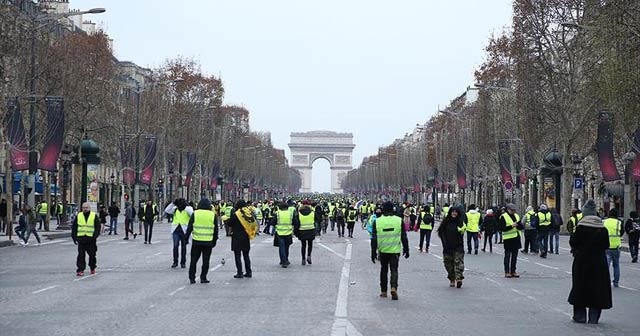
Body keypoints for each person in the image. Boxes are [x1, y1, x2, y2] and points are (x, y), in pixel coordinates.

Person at [568, 199, 612, 324]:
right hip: (599, 263)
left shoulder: (581, 228)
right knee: (598, 288)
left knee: (580, 287)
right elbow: (606, 245)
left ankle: (580, 316)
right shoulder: (602, 228)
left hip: (582, 262)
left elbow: (573, 243)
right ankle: (594, 316)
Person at [371, 201, 409, 300]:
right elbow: (404, 236)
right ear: (393, 209)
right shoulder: (399, 220)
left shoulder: (378, 221)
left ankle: (383, 291)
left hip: (383, 250)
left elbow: (374, 238)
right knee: (394, 270)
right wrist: (406, 249)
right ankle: (393, 287)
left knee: (384, 270)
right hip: (395, 250)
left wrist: (373, 252)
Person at [186, 198, 218, 284]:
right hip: (208, 241)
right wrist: (214, 240)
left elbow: (190, 227)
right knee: (206, 261)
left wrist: (186, 238)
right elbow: (216, 230)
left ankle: (192, 277)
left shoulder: (195, 213)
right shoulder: (212, 215)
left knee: (193, 260)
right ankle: (203, 277)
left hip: (196, 240)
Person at [437, 206, 466, 288]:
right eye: (453, 212)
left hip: (458, 246)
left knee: (458, 262)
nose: (454, 213)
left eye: (456, 212)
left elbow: (463, 230)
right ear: (450, 212)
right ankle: (452, 278)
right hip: (447, 246)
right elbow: (441, 233)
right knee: (448, 264)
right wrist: (444, 243)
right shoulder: (446, 222)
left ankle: (458, 278)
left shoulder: (460, 222)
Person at [71, 202, 101, 276]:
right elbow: (75, 227)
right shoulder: (79, 215)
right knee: (81, 255)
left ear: (89, 208)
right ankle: (80, 269)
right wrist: (74, 237)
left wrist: (95, 236)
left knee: (92, 255)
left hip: (91, 239)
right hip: (81, 239)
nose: (85, 209)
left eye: (86, 207)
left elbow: (97, 227)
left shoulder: (93, 216)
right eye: (83, 207)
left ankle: (92, 267)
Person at [229, 200, 256, 278]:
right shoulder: (248, 214)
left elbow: (230, 223)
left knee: (237, 255)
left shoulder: (236, 214)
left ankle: (239, 272)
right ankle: (249, 272)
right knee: (246, 255)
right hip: (245, 237)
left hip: (237, 237)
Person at [165, 199, 193, 268]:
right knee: (175, 246)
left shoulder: (187, 209)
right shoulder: (175, 209)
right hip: (175, 230)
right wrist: (173, 203)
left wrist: (185, 206)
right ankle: (175, 261)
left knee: (184, 247)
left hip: (184, 230)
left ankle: (183, 262)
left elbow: (192, 213)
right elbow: (167, 210)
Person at [500, 204, 523, 278]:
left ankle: (513, 271)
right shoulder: (503, 216)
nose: (513, 211)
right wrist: (512, 226)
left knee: (515, 256)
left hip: (516, 238)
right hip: (508, 239)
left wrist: (519, 225)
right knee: (507, 255)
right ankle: (507, 271)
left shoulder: (516, 216)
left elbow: (520, 226)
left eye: (514, 210)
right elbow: (502, 228)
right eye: (512, 210)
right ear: (508, 209)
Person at [603, 208, 623, 288]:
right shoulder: (619, 222)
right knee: (616, 265)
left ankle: (605, 281)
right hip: (616, 246)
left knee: (605, 266)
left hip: (606, 246)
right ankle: (616, 282)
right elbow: (621, 232)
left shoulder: (604, 222)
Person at [294, 200, 316, 265]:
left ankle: (303, 259)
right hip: (311, 230)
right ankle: (309, 256)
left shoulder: (299, 213)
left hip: (302, 231)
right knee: (310, 245)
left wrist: (296, 232)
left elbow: (296, 224)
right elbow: (317, 219)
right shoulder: (312, 212)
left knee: (303, 245)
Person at [275, 202, 294, 267]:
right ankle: (286, 259)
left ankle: (283, 261)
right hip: (288, 232)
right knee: (287, 247)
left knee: (281, 247)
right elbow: (295, 222)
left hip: (280, 232)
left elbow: (273, 222)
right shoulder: (290, 214)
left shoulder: (278, 213)